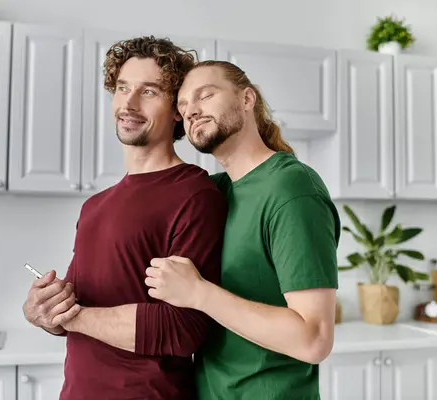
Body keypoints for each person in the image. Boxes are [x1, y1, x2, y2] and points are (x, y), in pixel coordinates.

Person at [22, 37, 228, 400]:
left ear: (177, 108)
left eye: (148, 91)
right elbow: (81, 306)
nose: (128, 104)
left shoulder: (195, 195)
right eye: (122, 88)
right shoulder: (96, 206)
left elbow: (184, 328)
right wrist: (45, 312)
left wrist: (74, 316)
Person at [145, 60, 340, 400]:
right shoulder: (214, 191)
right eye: (183, 105)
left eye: (205, 95)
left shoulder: (291, 189)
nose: (192, 111)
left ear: (247, 99)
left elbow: (314, 340)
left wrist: (199, 293)